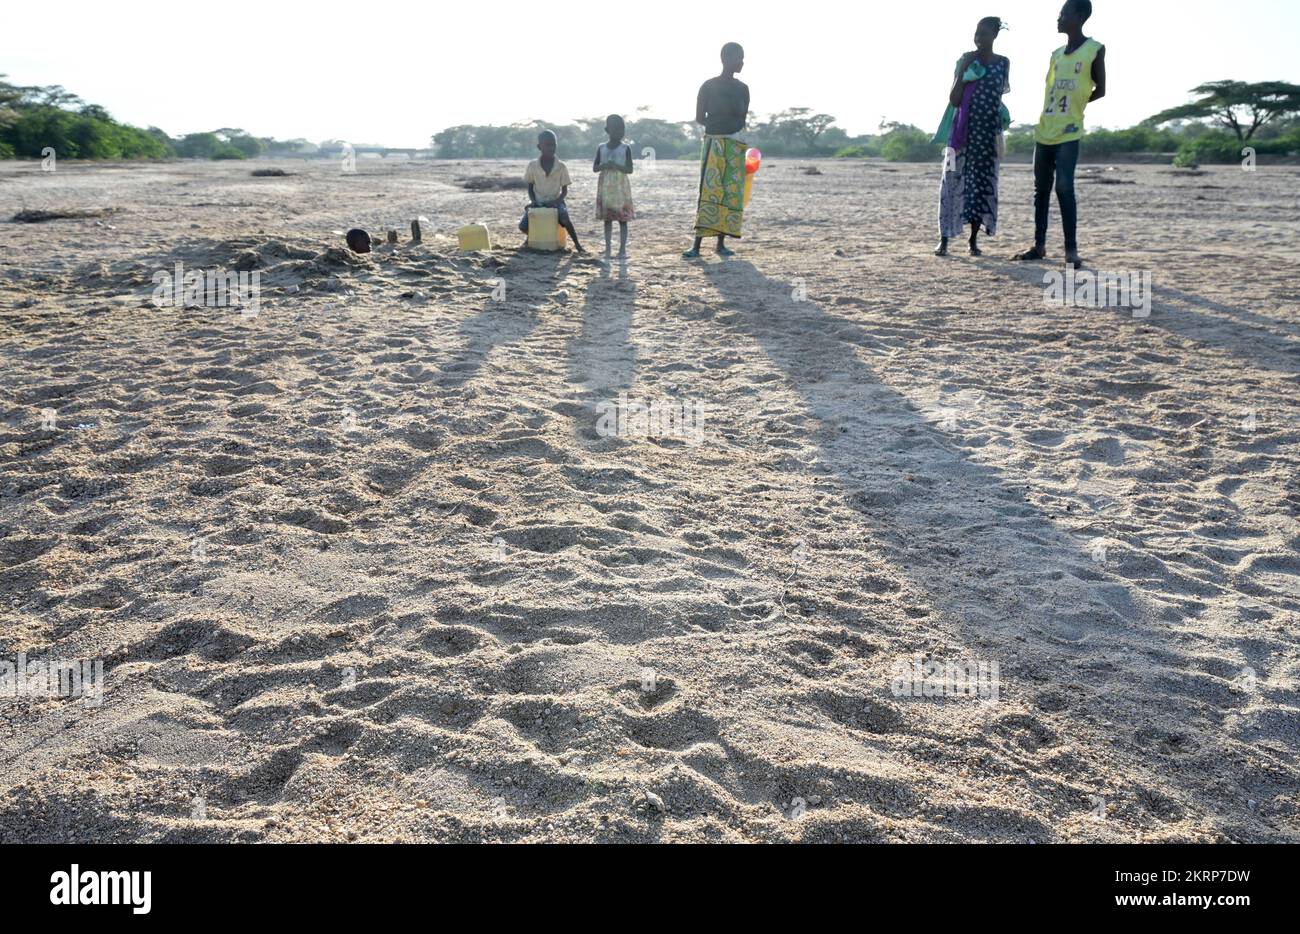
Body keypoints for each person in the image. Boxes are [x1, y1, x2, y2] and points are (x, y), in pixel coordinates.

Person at [1012, 0, 1106, 268]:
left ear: (1079, 16)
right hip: (1044, 130)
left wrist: (1077, 105)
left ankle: (1071, 250)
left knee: (1064, 187)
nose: (1059, 18)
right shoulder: (1055, 54)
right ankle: (1039, 246)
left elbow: (1100, 90)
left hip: (1069, 131)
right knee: (1041, 190)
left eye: (1063, 13)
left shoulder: (1094, 50)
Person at [934, 17, 1011, 257]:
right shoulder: (966, 60)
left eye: (984, 34)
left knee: (980, 186)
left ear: (995, 36)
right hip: (960, 134)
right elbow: (955, 99)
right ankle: (944, 239)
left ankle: (973, 240)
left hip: (987, 134)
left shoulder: (1003, 63)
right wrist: (964, 70)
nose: (979, 39)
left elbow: (999, 95)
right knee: (951, 183)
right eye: (976, 34)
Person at [684, 42, 750, 259]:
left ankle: (721, 244)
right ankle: (696, 246)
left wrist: (732, 134)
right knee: (709, 190)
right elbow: (699, 117)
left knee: (730, 193)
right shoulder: (708, 86)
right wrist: (719, 128)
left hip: (735, 145)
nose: (742, 62)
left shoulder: (743, 89)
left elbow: (742, 118)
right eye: (739, 58)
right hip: (713, 143)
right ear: (726, 58)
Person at [520, 130, 584, 252]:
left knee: (565, 219)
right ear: (540, 147)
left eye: (554, 144)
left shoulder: (561, 166)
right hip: (538, 201)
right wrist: (533, 201)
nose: (551, 148)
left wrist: (556, 202)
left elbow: (564, 191)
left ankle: (577, 245)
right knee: (522, 226)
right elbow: (530, 188)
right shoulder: (532, 166)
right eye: (548, 145)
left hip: (556, 201)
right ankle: (531, 237)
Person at [592, 114, 635, 259]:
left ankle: (622, 249)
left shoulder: (625, 148)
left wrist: (616, 166)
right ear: (607, 130)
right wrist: (604, 165)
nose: (619, 132)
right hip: (606, 188)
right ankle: (608, 248)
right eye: (616, 129)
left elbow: (630, 170)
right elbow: (595, 167)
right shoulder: (601, 148)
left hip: (620, 188)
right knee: (607, 219)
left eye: (622, 129)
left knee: (623, 220)